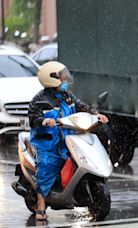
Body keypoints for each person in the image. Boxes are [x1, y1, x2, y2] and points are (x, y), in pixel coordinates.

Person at [28, 61, 109, 221]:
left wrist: (95, 114)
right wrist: (43, 121)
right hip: (48, 143)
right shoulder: (39, 99)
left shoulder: (68, 96)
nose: (66, 80)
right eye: (62, 77)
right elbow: (33, 117)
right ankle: (41, 204)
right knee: (46, 167)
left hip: (68, 139)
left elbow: (81, 106)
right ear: (52, 79)